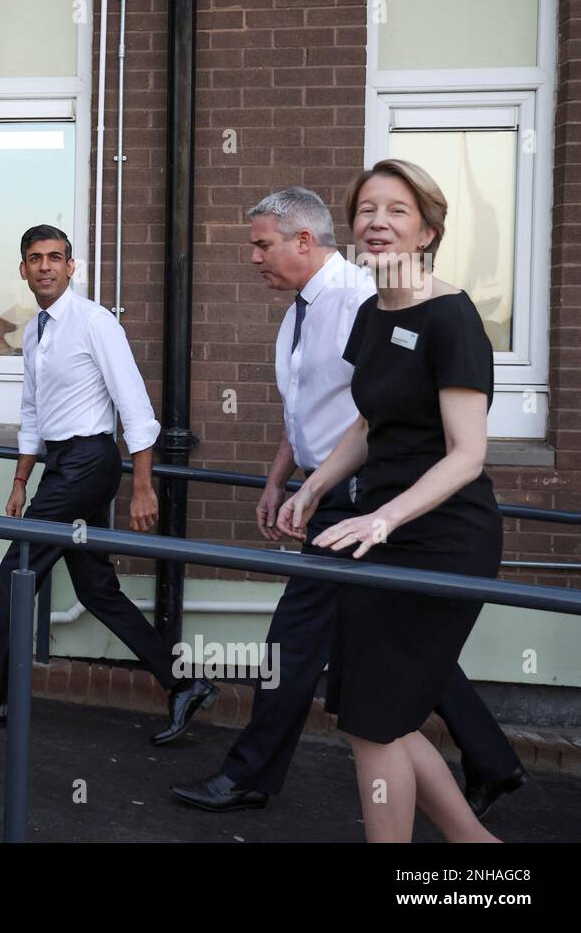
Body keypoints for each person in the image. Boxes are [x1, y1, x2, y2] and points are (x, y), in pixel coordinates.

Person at [171, 188, 525, 817]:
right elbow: (311, 408)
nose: (254, 258)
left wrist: (362, 504)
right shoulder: (299, 312)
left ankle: (250, 772)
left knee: (298, 642)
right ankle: (490, 765)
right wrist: (284, 478)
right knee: (379, 649)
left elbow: (396, 423)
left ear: (303, 240)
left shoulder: (363, 297)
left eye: (262, 244)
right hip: (330, 490)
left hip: (364, 501)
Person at [277, 160, 513, 842]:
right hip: (374, 532)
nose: (378, 222)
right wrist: (315, 485)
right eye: (367, 210)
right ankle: (479, 849)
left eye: (398, 211)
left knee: (374, 723)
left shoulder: (452, 317)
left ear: (427, 231)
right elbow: (369, 423)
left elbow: (468, 453)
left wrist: (383, 517)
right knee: (372, 715)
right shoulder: (372, 314)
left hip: (440, 539)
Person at [0, 224, 216, 744]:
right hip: (61, 463)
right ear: (23, 269)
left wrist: (143, 484)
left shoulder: (94, 323)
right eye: (35, 258)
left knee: (17, 568)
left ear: (71, 266)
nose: (45, 267)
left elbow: (134, 405)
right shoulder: (36, 331)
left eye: (55, 257)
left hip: (89, 461)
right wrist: (19, 480)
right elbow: (33, 413)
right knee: (96, 588)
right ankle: (184, 683)